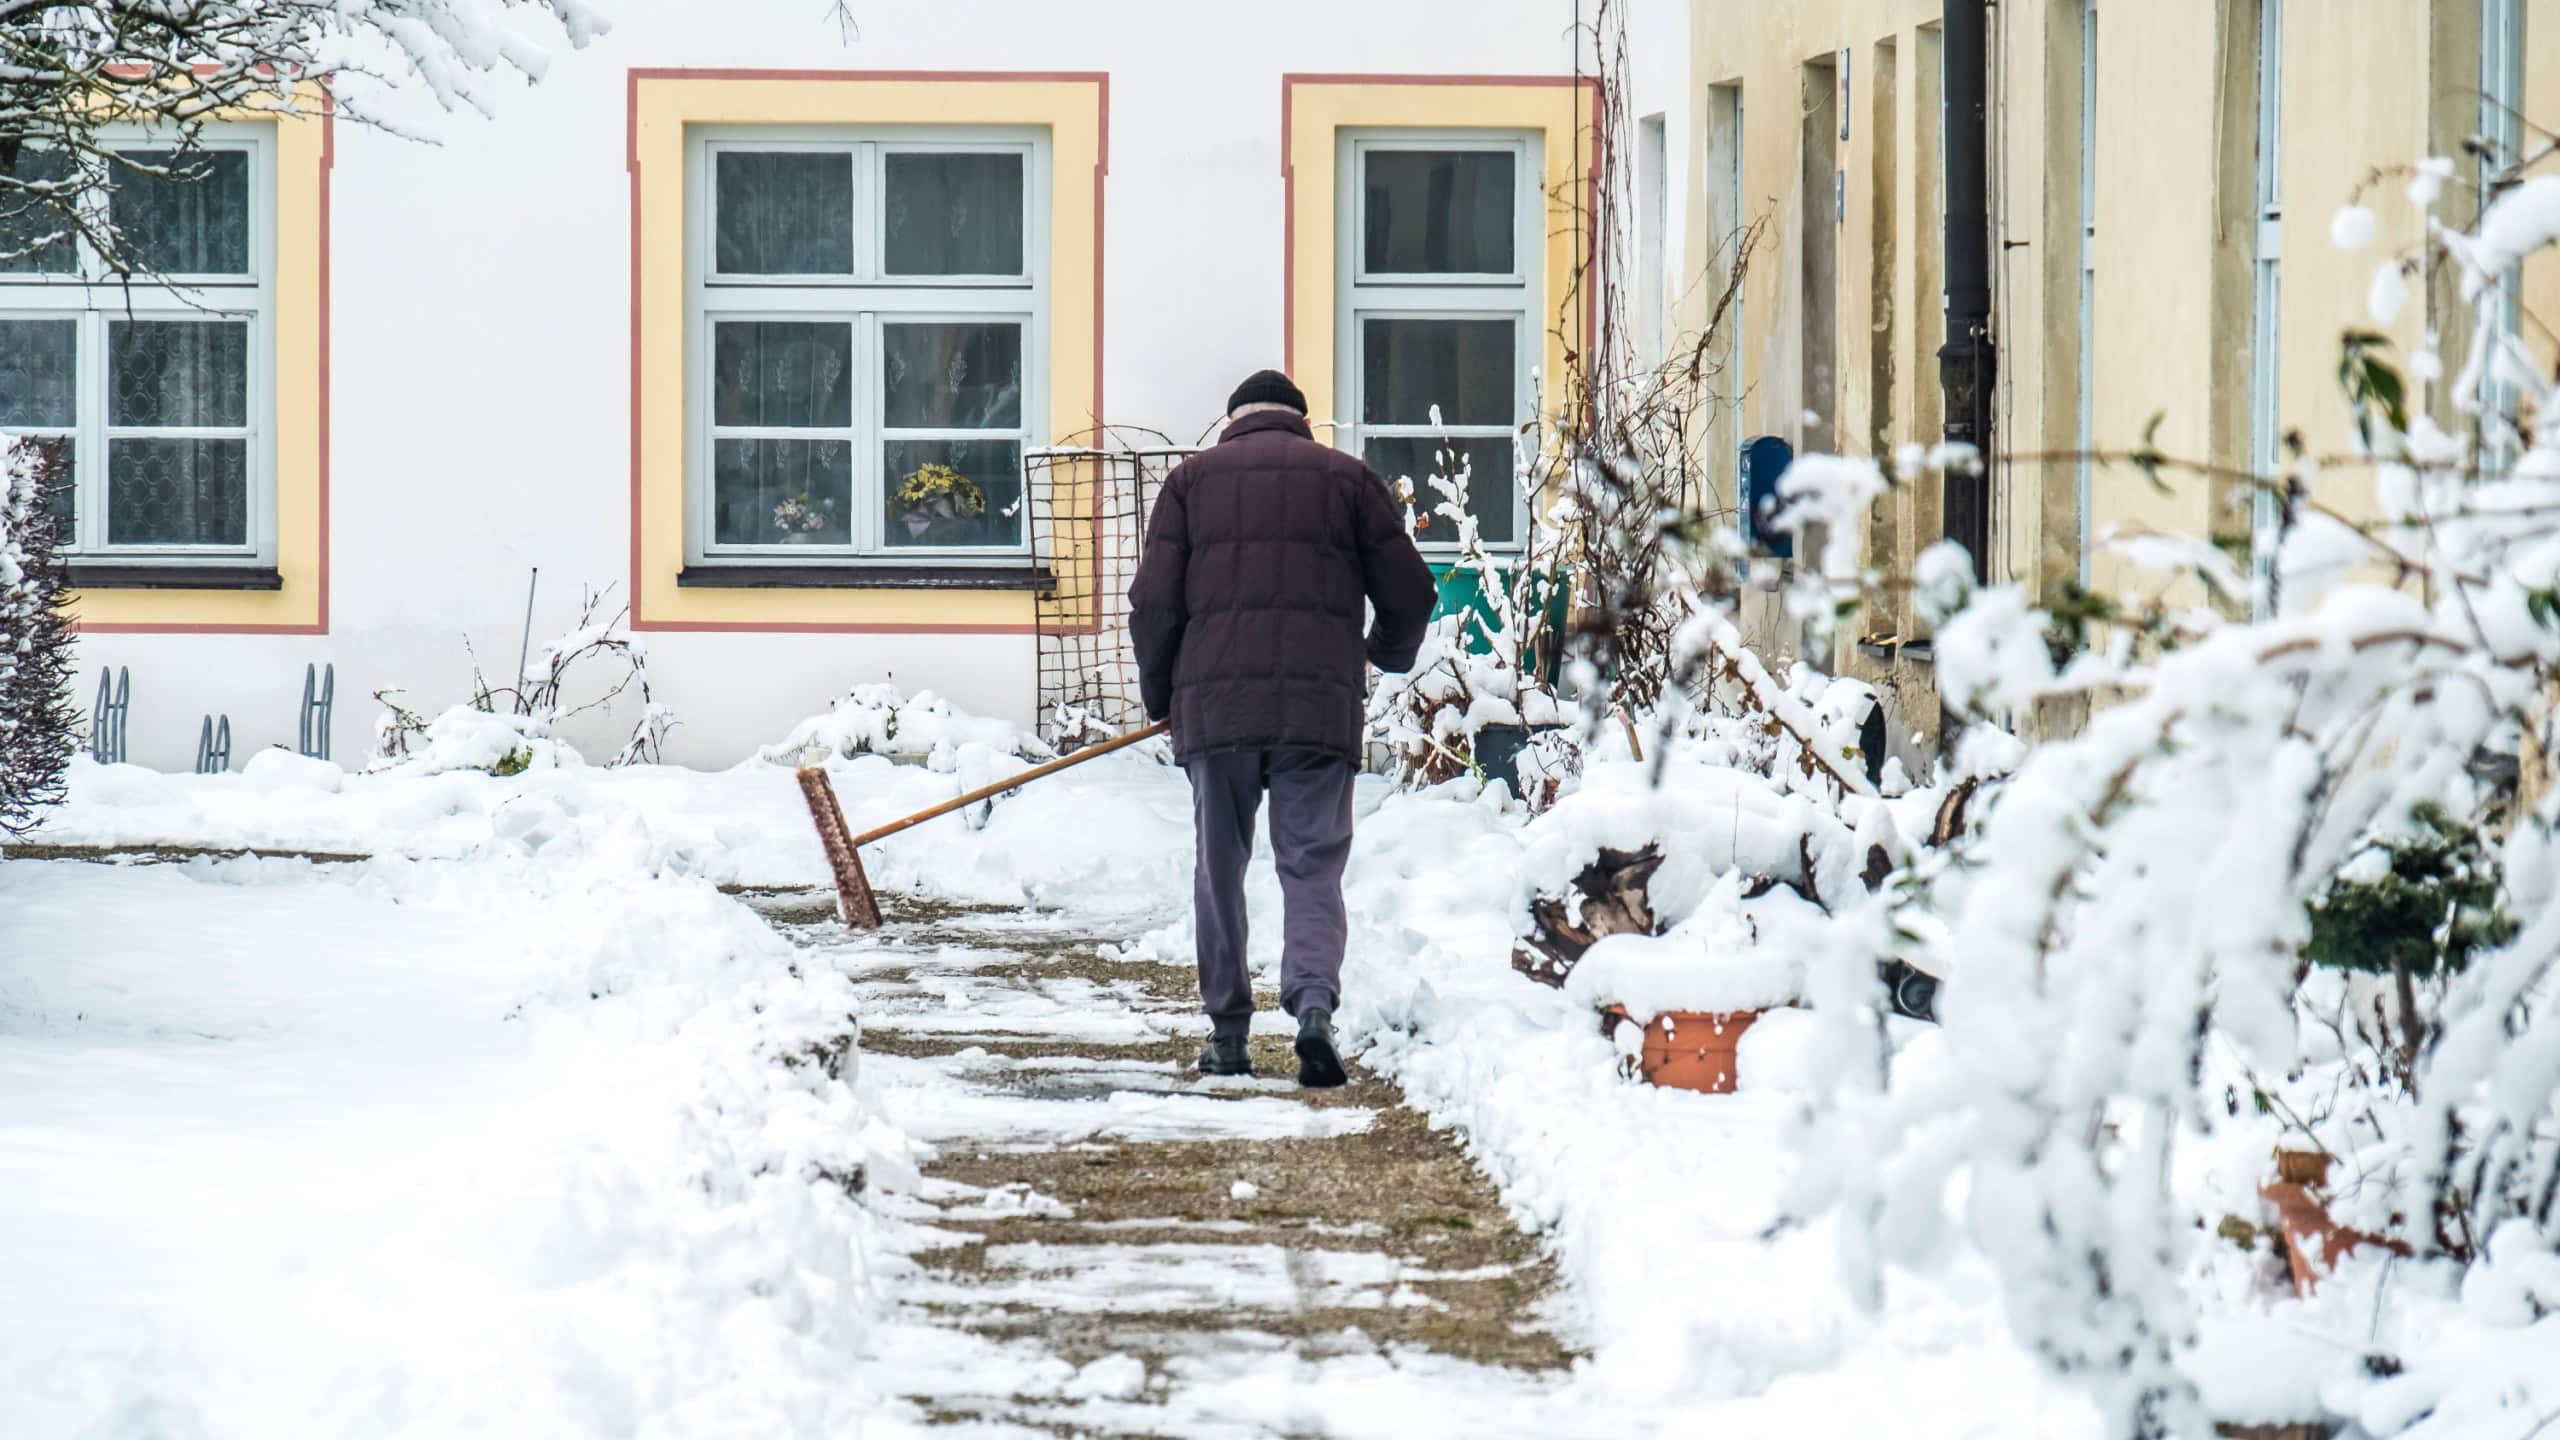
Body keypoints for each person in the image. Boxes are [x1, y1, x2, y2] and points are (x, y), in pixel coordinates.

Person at [1128, 369, 1438, 1087]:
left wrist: (1163, 697)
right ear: (1300, 420)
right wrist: (1384, 655)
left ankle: (1229, 1035)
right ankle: (1314, 1013)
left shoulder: (1190, 483)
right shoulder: (1348, 480)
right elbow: (1412, 591)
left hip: (1216, 712)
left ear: (1233, 419)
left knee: (1220, 869)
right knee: (1311, 867)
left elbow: (1153, 605)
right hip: (1317, 710)